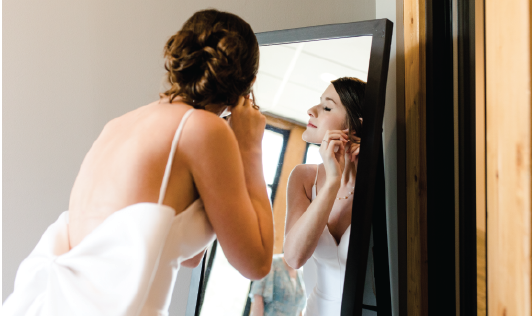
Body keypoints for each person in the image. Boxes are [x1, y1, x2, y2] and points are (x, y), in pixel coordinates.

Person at [3, 9, 274, 316]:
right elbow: (256, 262)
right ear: (248, 84)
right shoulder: (203, 129)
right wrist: (251, 149)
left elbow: (189, 255)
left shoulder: (119, 124)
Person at [283, 77, 375, 316]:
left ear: (354, 127)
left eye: (326, 107)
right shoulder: (303, 177)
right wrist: (333, 181)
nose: (311, 111)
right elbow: (294, 257)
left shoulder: (379, 184)